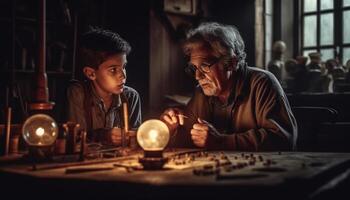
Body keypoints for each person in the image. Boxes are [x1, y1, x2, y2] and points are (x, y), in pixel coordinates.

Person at [161, 22, 297, 151]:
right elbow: (187, 139)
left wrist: (221, 141)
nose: (197, 76)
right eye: (194, 68)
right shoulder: (202, 92)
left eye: (204, 66)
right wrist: (171, 130)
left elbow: (283, 138)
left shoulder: (262, 83)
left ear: (231, 63)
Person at [66, 28, 141, 145]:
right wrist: (104, 135)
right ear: (91, 73)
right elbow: (74, 138)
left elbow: (137, 139)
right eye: (113, 70)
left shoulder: (131, 96)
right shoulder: (78, 93)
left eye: (124, 66)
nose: (123, 75)